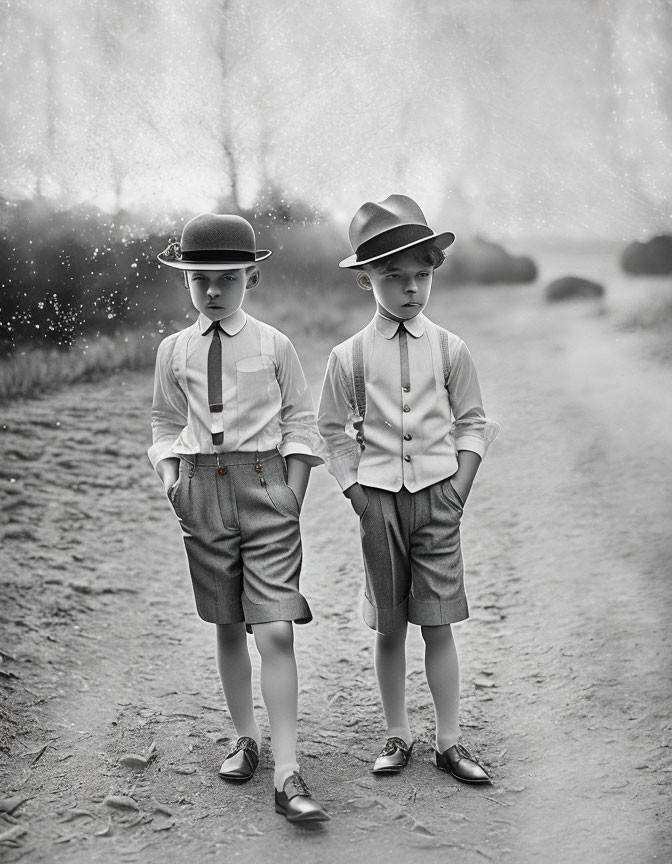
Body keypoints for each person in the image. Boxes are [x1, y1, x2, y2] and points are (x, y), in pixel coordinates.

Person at [149, 213, 329, 822]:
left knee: (274, 627)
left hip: (266, 488)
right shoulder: (173, 351)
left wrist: (292, 491)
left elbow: (301, 422)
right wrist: (172, 476)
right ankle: (245, 738)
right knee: (229, 625)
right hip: (201, 487)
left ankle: (287, 771)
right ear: (187, 283)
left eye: (227, 277)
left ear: (251, 275)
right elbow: (165, 423)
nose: (214, 290)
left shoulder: (274, 345)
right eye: (200, 280)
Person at [318, 194, 499, 783]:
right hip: (378, 503)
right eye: (394, 277)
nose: (410, 289)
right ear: (366, 278)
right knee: (391, 623)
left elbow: (471, 420)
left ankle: (450, 740)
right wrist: (356, 492)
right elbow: (330, 431)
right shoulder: (348, 357)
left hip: (438, 497)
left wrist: (458, 488)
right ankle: (398, 734)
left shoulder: (450, 349)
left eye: (421, 276)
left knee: (439, 620)